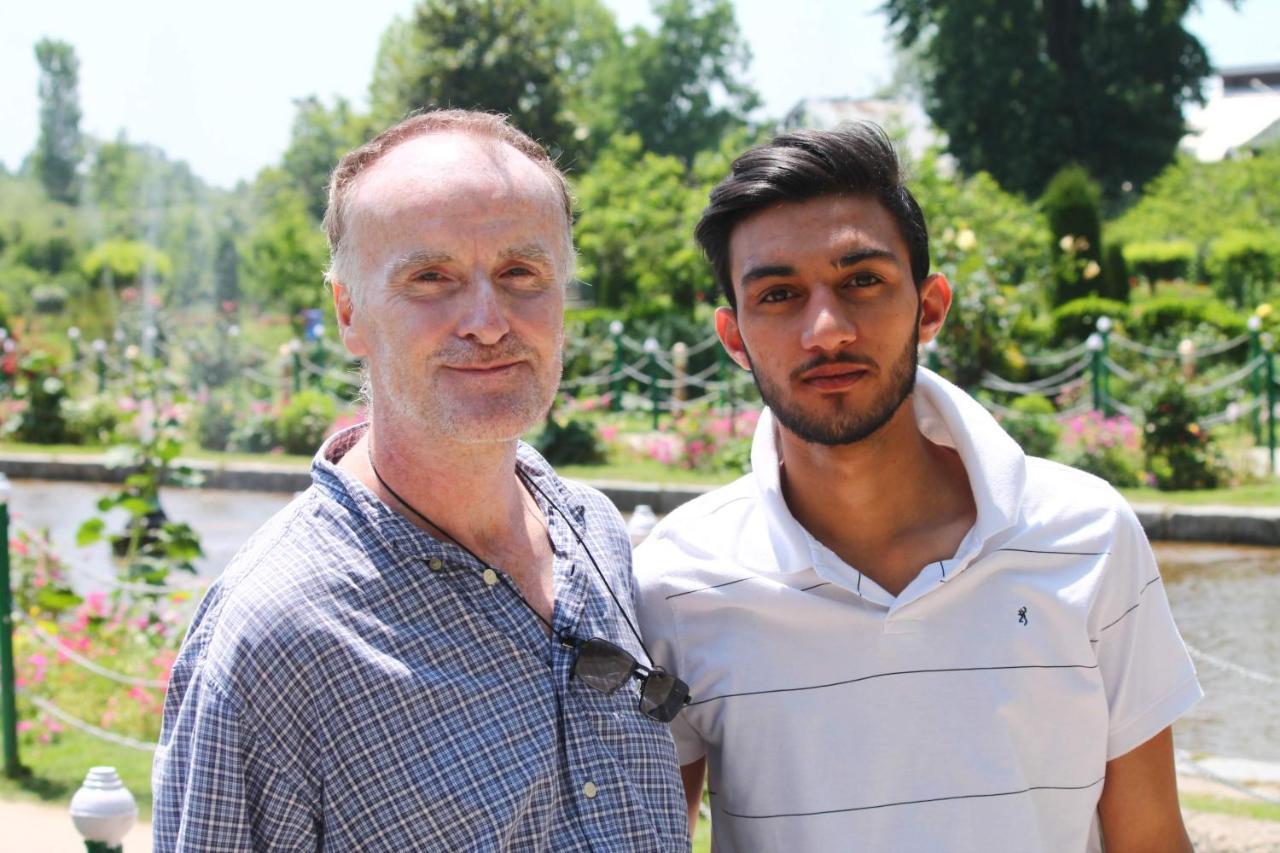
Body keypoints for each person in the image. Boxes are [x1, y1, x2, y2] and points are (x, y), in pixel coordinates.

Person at [633, 122, 1201, 853]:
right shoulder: (677, 580)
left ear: (930, 306)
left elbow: (1150, 838)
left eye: (861, 280)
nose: (827, 329)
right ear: (734, 336)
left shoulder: (1088, 534)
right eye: (778, 294)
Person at [153, 110, 689, 852]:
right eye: (430, 277)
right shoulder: (279, 633)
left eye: (520, 273)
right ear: (349, 312)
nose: (487, 320)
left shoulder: (594, 535)